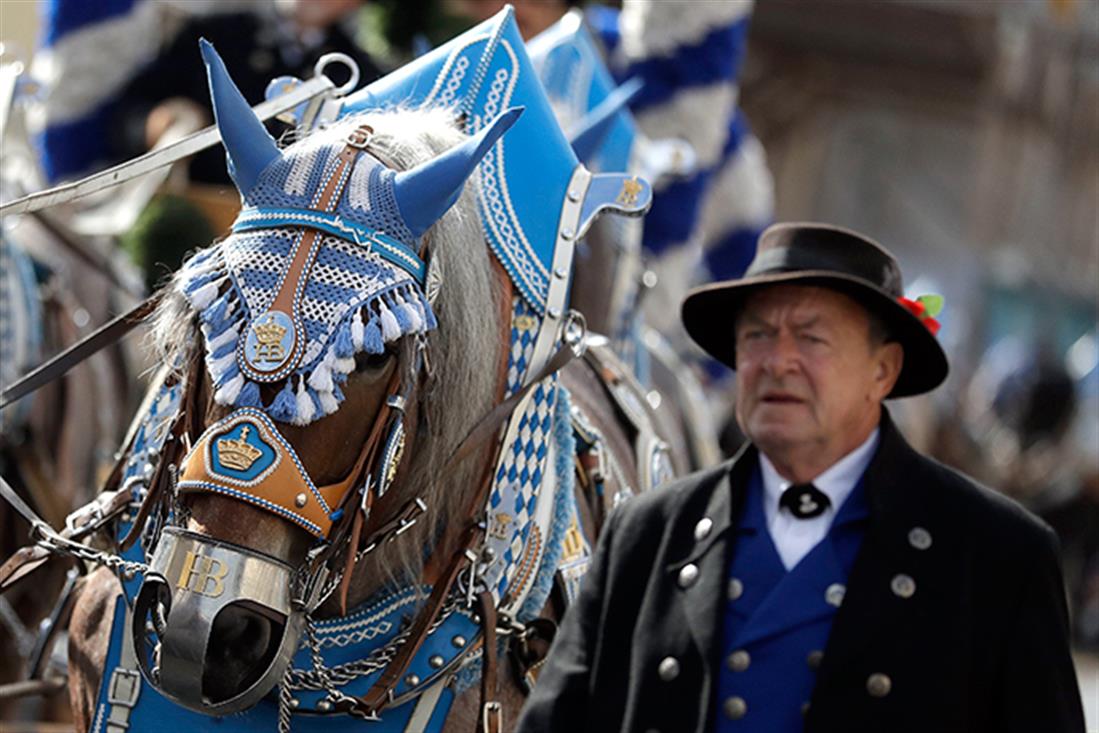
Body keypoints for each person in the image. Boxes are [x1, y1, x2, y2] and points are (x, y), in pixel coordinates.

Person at [516, 223, 1085, 733]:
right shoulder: (647, 533)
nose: (777, 360)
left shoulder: (998, 555)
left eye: (811, 337)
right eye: (757, 335)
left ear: (882, 371)